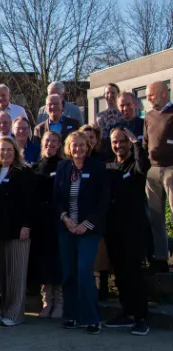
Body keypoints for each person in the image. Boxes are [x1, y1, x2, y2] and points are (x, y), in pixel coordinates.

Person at [54, 131, 109, 334]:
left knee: (84, 271)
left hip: (88, 230)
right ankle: (73, 315)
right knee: (68, 273)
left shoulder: (97, 168)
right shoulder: (63, 167)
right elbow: (57, 199)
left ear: (88, 147)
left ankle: (92, 318)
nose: (77, 149)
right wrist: (65, 219)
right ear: (68, 148)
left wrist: (85, 224)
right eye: (73, 145)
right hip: (66, 228)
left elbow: (103, 202)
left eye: (81, 145)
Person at [0, 136, 34, 327]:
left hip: (18, 230)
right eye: (2, 149)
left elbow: (30, 202)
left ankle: (15, 313)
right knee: (1, 271)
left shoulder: (24, 172)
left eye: (9, 150)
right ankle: (4, 308)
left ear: (16, 152)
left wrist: (27, 225)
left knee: (16, 273)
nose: (6, 153)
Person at [103, 127, 150, 336]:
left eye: (123, 141)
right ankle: (126, 312)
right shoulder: (109, 166)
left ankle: (141, 318)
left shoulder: (135, 165)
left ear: (129, 143)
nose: (118, 145)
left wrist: (137, 142)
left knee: (134, 274)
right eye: (115, 142)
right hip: (114, 229)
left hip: (134, 229)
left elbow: (144, 167)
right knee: (120, 274)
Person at [31, 131, 65, 319]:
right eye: (47, 141)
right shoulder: (35, 167)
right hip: (40, 221)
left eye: (54, 141)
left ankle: (59, 301)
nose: (50, 144)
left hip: (58, 219)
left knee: (57, 261)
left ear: (59, 144)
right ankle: (47, 301)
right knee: (43, 262)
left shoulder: (64, 166)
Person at [144, 80, 173, 274]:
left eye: (151, 95)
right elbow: (146, 141)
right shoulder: (149, 116)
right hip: (152, 171)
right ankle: (161, 258)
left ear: (164, 93)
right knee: (155, 217)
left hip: (171, 168)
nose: (148, 99)